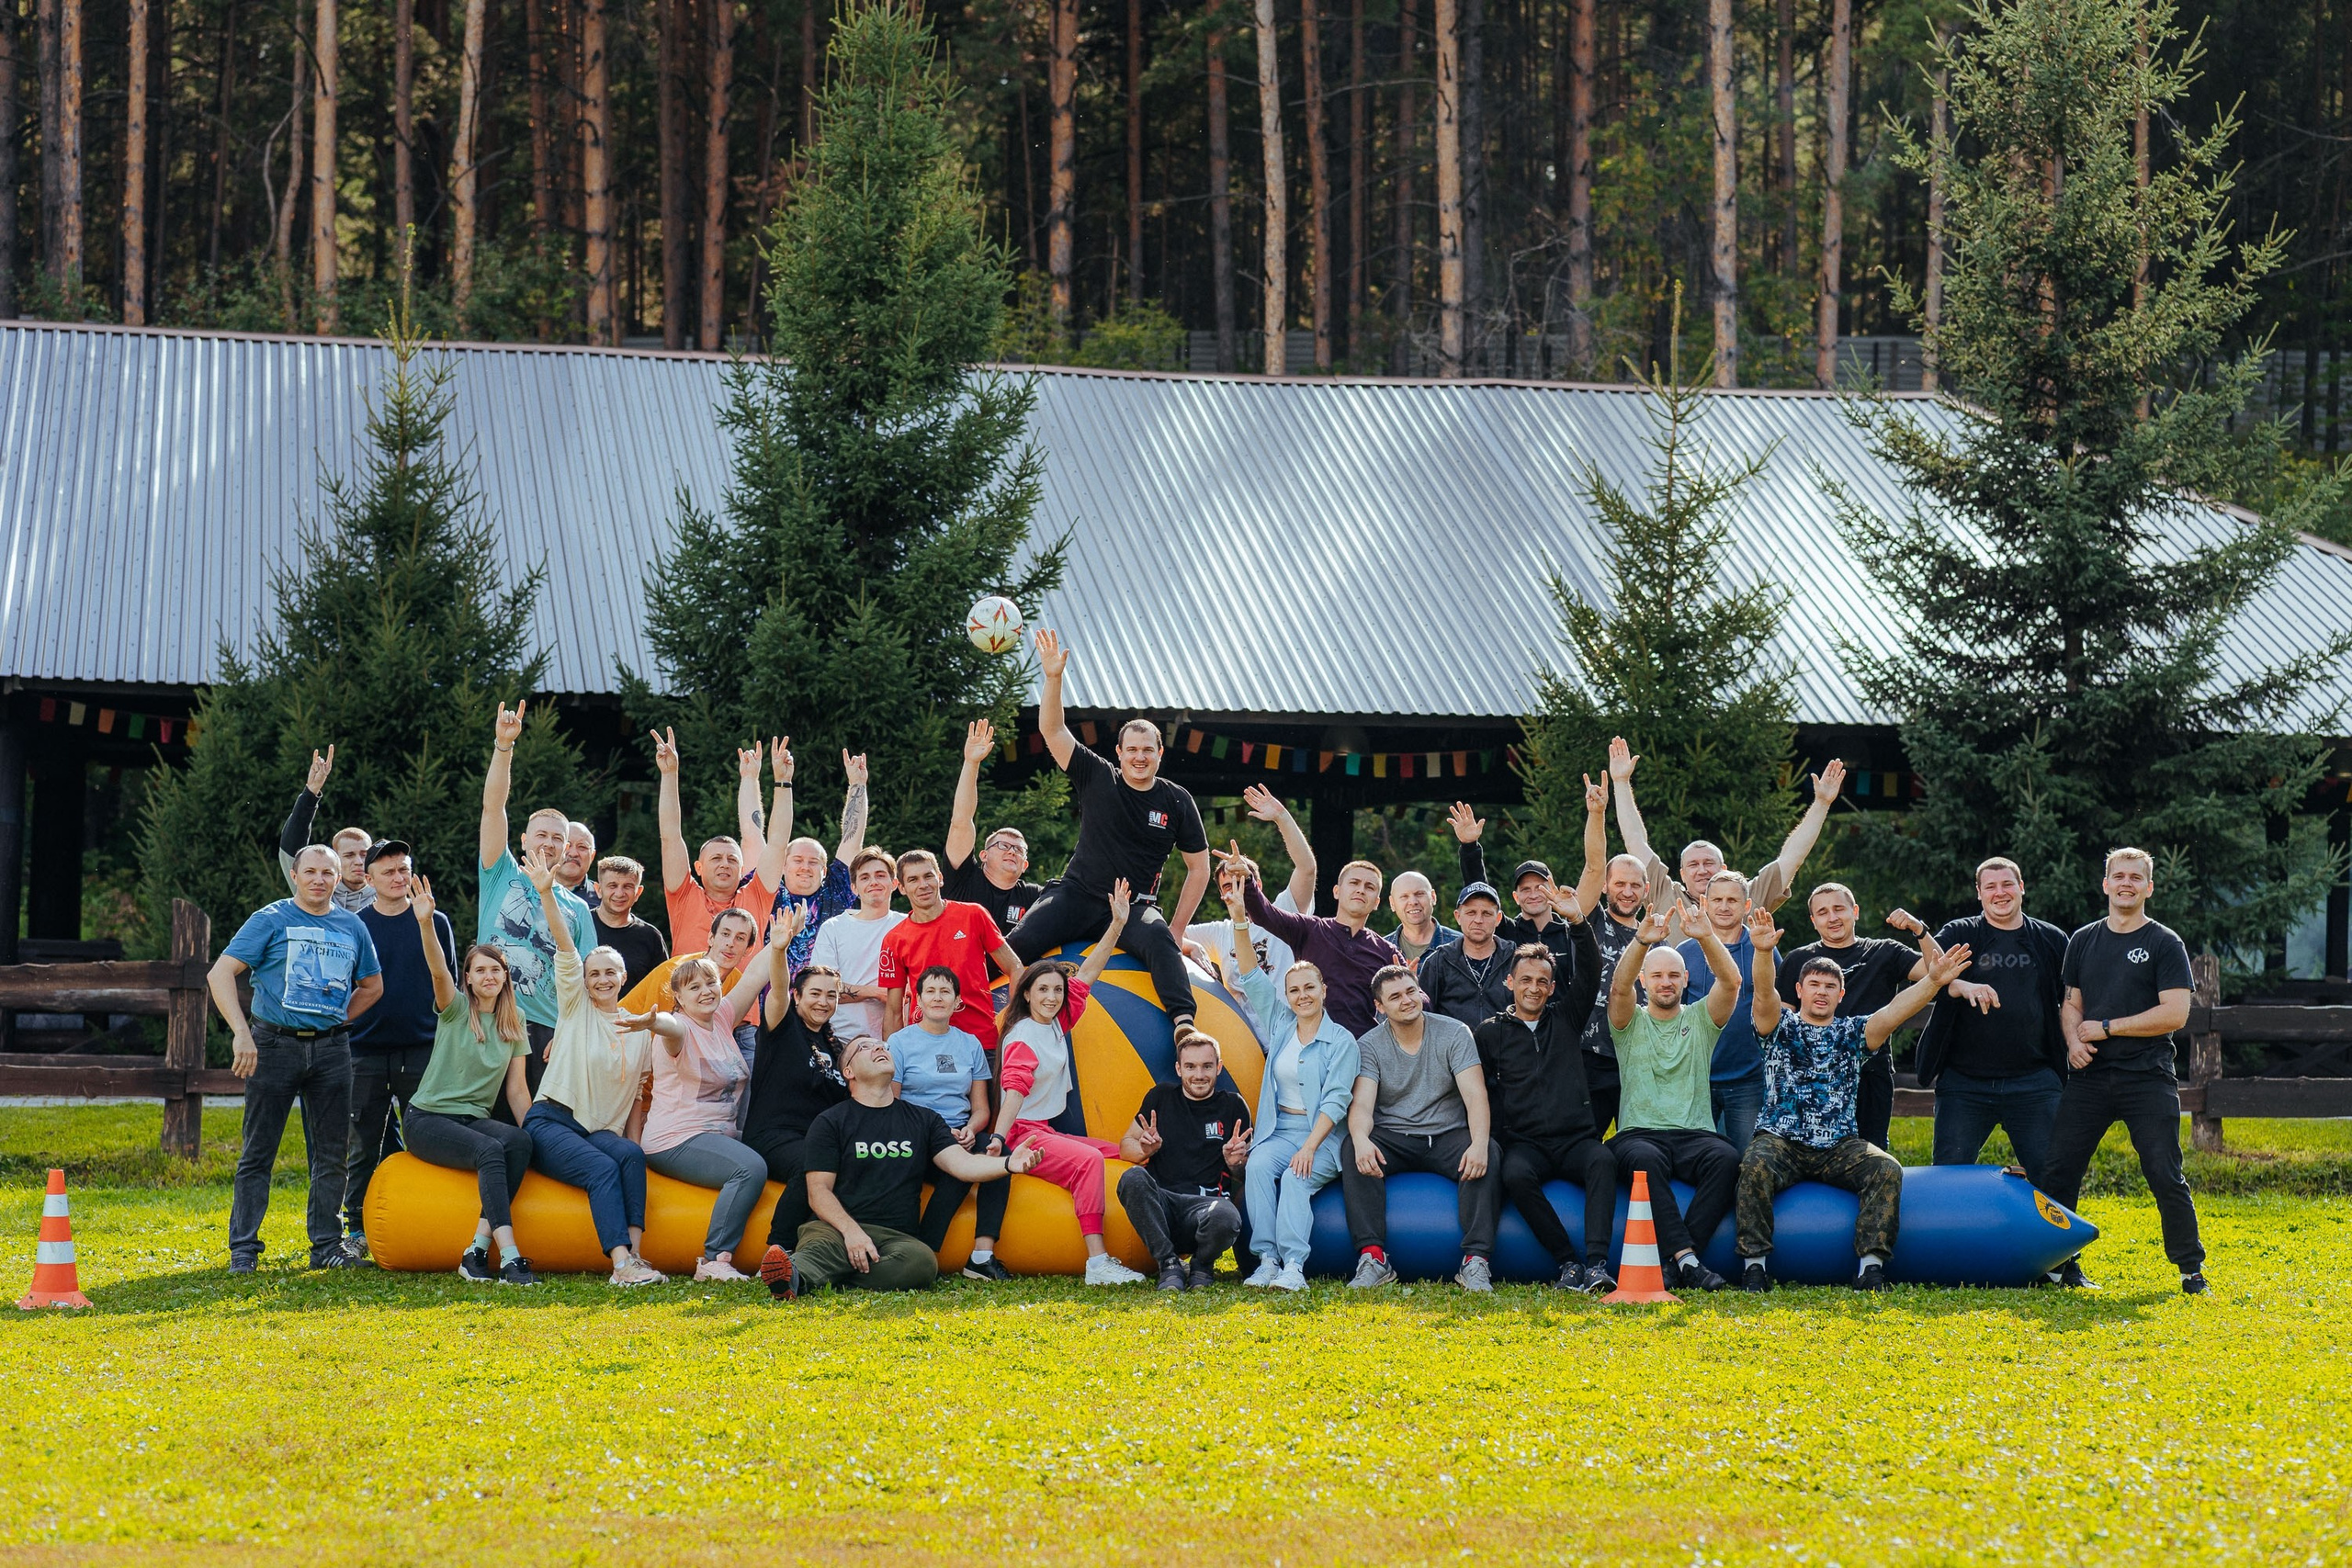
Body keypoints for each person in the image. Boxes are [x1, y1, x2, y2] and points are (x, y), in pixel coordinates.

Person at [1738, 908, 1968, 1292]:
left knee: (1886, 1168)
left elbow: (1895, 1011)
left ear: (1841, 994)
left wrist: (1932, 981)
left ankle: (1871, 1266)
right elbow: (1763, 994)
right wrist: (1763, 953)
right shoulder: (1780, 1027)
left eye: (1830, 987)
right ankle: (1754, 1265)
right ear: (1800, 989)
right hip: (1781, 1140)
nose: (1821, 992)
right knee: (1754, 1164)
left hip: (1838, 1146)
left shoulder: (1853, 1033)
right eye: (1814, 984)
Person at [1009, 630, 1211, 1034]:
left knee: (1162, 945)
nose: (1139, 757)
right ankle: (962, 1003)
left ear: (1159, 754)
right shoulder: (1098, 776)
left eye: (1147, 750)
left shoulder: (1176, 800)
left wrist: (1176, 928)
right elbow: (1052, 731)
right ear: (1118, 753)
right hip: (1078, 894)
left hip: (1134, 906)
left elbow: (1199, 868)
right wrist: (1053, 679)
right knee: (1018, 941)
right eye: (1131, 750)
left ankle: (1183, 1027)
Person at [208, 844, 384, 1272]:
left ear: (339, 879)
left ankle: (326, 1246)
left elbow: (373, 986)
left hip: (332, 1050)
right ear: (295, 875)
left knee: (330, 1155)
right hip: (273, 1046)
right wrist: (241, 1035)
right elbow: (220, 974)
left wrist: (339, 1017)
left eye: (328, 872)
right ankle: (244, 1250)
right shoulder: (270, 919)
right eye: (311, 872)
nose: (319, 880)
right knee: (258, 1152)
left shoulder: (352, 927)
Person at [761, 1034, 1046, 1299]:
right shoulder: (830, 1121)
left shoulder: (925, 1120)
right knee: (818, 1251)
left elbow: (963, 1165)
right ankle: (795, 1275)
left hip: (897, 1238)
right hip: (834, 1230)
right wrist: (852, 1232)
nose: (879, 1048)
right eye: (865, 1047)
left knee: (922, 1264)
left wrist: (1009, 1163)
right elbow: (818, 1191)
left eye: (882, 1046)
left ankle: (828, 1278)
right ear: (849, 1072)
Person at [2041, 849, 2207, 1294]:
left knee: (2163, 1170)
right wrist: (2075, 1041)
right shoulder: (2083, 940)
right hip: (2090, 1078)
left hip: (2146, 1077)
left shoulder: (2164, 943)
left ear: (2149, 887)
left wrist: (2110, 1028)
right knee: (2059, 1170)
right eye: (2119, 876)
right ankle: (2058, 1266)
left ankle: (2191, 1270)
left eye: (2136, 877)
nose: (2126, 883)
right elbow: (2071, 1003)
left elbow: (2175, 1013)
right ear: (2106, 884)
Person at [987, 884, 1151, 1285]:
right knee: (1090, 1161)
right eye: (1042, 989)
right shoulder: (1025, 1035)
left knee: (1124, 1151)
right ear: (1025, 993)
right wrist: (998, 1139)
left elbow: (1089, 973)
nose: (1052, 996)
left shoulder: (1057, 1022)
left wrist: (1116, 925)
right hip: (1021, 1134)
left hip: (1044, 1129)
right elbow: (1014, 1091)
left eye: (1057, 990)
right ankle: (1097, 1262)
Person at [521, 862, 665, 1287]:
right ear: (583, 981)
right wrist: (547, 893)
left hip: (598, 1130)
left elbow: (639, 1097)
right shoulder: (575, 1008)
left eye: (610, 973)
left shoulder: (639, 1029)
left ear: (624, 978)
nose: (601, 979)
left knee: (629, 1155)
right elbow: (566, 949)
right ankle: (621, 1266)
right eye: (594, 973)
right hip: (552, 1121)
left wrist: (633, 1142)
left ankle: (637, 1256)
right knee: (602, 1169)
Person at [402, 863, 540, 1287]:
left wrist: (541, 1133)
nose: (489, 976)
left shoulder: (515, 1026)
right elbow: (437, 968)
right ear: (469, 977)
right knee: (490, 1152)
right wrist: (425, 922)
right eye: (480, 970)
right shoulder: (456, 1010)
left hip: (471, 1119)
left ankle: (476, 1251)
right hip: (428, 1119)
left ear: (505, 977)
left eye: (496, 970)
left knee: (518, 1140)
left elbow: (517, 1092)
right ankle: (512, 1256)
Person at [1475, 903, 1617, 1293]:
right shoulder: (1489, 1033)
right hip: (1527, 1143)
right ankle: (1567, 1263)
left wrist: (1577, 923)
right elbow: (1481, 1089)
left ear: (1552, 988)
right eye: (1526, 980)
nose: (1534, 987)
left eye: (1542, 981)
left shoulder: (1567, 1018)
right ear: (1510, 983)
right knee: (1515, 1175)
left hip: (1575, 1139)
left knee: (1603, 1161)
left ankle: (1596, 1264)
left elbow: (1590, 972)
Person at [1912, 857, 2072, 1204]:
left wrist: (2077, 1043)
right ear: (1979, 893)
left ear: (2021, 887)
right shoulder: (1960, 934)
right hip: (1965, 1084)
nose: (2000, 893)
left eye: (2007, 884)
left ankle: (2062, 1257)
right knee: (1948, 1176)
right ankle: (1949, 1253)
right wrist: (1962, 982)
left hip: (2034, 1082)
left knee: (2054, 1176)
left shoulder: (2051, 939)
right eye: (1991, 887)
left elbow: (2071, 1001)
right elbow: (1932, 977)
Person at [622, 925, 776, 1282]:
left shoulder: (721, 1018)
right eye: (694, 987)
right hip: (675, 1140)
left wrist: (780, 939)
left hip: (717, 1136)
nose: (705, 992)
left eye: (711, 983)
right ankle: (713, 1260)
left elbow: (754, 975)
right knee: (749, 1168)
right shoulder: (679, 1027)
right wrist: (653, 1021)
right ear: (678, 996)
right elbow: (670, 1029)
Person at [1607, 900, 1742, 1292]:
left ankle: (1677, 1262)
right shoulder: (1629, 1023)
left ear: (1685, 979)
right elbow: (1618, 987)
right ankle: (1688, 1261)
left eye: (1672, 976)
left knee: (1728, 1157)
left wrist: (1705, 935)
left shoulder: (1701, 1019)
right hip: (1640, 1134)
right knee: (1644, 1161)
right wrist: (1641, 942)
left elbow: (1731, 983)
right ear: (1644, 983)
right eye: (1656, 976)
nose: (1665, 982)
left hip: (1694, 1134)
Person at [1339, 966, 1500, 1292]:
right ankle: (1373, 1258)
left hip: (1447, 1135)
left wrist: (1480, 1143)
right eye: (1395, 997)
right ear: (1380, 1007)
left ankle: (1475, 1261)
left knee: (1491, 1152)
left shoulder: (1454, 1033)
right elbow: (1363, 1106)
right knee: (1352, 1147)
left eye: (1411, 991)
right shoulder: (1369, 1044)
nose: (1407, 1000)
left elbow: (1475, 1095)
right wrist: (1359, 1139)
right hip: (1395, 1136)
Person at [337, 839, 456, 1267]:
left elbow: (449, 986)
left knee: (427, 1140)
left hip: (422, 1048)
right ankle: (355, 1230)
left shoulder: (435, 921)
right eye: (387, 871)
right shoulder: (352, 925)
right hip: (364, 1049)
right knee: (363, 1144)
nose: (397, 877)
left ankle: (424, 1221)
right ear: (368, 880)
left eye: (403, 869)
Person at [477, 702, 594, 1099]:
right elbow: (493, 807)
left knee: (538, 1127)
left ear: (565, 851)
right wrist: (503, 746)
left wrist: (571, 1034)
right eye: (540, 835)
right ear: (524, 840)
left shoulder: (578, 908)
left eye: (557, 839)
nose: (548, 843)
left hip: (545, 1029)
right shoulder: (499, 872)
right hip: (490, 1017)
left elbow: (586, 978)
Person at [1608, 739, 1845, 931]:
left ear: (1724, 869)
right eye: (1693, 865)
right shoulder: (1663, 893)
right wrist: (1620, 781)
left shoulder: (1748, 897)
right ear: (1682, 873)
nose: (1701, 870)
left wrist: (1822, 803)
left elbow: (1792, 858)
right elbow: (1635, 841)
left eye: (1709, 863)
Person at [741, 912, 858, 1278]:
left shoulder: (835, 1045)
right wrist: (780, 950)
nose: (823, 1002)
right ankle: (777, 1252)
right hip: (774, 1137)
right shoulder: (783, 1025)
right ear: (798, 995)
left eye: (831, 995)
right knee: (812, 1162)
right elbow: (776, 988)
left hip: (818, 1142)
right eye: (816, 994)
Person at [1233, 948, 1357, 1292]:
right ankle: (1267, 1261)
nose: (1302, 996)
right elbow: (1252, 977)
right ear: (1287, 996)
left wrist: (1309, 1147)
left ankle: (1293, 1266)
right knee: (1256, 1165)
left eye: (1309, 988)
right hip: (1280, 1129)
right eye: (1294, 990)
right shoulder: (1282, 1024)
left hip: (1324, 1135)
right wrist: (1240, 916)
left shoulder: (1342, 1041)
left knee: (1294, 1176)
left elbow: (1336, 1101)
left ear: (1323, 990)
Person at [1773, 885, 1929, 1151]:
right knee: (1807, 1153)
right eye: (1822, 912)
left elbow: (1934, 969)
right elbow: (1783, 1025)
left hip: (1870, 1074)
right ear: (1813, 921)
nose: (1832, 917)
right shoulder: (1798, 960)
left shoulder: (1885, 952)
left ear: (1854, 912)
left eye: (1838, 909)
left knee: (1871, 1153)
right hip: (1812, 1079)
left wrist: (1920, 931)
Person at [886, 965, 1013, 1272]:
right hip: (917, 1134)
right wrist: (937, 1135)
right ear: (918, 999)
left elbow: (981, 1108)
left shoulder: (969, 1044)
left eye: (945, 992)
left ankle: (983, 1253)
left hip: (961, 1132)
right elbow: (891, 1102)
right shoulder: (900, 1043)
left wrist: (971, 1129)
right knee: (962, 1169)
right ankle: (925, 1251)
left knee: (999, 1154)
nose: (937, 998)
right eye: (930, 991)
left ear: (957, 1001)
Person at [1117, 1032, 1252, 1290]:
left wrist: (1236, 1163)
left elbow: (1245, 1176)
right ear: (1179, 1069)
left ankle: (1202, 1266)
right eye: (1190, 1066)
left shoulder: (1233, 1105)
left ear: (1219, 1067)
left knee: (1228, 1215)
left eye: (1206, 1066)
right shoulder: (1160, 1097)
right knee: (1131, 1178)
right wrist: (1146, 1148)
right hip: (1162, 1207)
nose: (1198, 1074)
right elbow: (1126, 1148)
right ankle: (1169, 1265)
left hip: (1206, 1210)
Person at [1238, 854, 1402, 1037]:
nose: (1361, 890)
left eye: (1369, 887)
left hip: (1362, 1051)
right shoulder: (1310, 929)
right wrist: (1246, 880)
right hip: (1310, 1047)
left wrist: (1408, 984)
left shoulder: (1387, 952)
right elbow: (1265, 913)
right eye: (1354, 883)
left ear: (1377, 903)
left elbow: (1419, 1001)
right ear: (1336, 891)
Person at [1448, 773, 1606, 960]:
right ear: (1516, 897)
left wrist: (1597, 814)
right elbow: (1479, 891)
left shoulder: (1571, 932)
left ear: (1552, 891)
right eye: (1525, 889)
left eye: (1540, 888)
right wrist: (1469, 847)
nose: (1533, 894)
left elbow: (1594, 868)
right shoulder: (1504, 932)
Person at [877, 850, 1023, 1049]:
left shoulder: (973, 915)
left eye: (928, 876)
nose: (923, 885)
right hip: (924, 1047)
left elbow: (1015, 967)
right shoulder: (894, 939)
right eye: (913, 880)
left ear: (940, 878)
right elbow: (894, 1011)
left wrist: (1016, 1022)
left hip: (981, 1042)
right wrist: (892, 1060)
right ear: (901, 888)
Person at [653, 729, 776, 964]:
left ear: (743, 870)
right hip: (689, 1000)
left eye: (732, 860)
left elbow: (754, 836)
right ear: (698, 867)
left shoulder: (756, 898)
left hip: (743, 1002)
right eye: (716, 858)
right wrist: (669, 773)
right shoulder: (683, 896)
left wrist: (750, 778)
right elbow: (670, 836)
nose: (724, 864)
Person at [752, 736, 872, 976]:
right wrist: (778, 781)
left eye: (813, 862)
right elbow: (757, 836)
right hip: (770, 1004)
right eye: (797, 860)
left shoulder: (836, 890)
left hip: (826, 1003)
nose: (805, 867)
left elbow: (852, 840)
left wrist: (858, 784)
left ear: (824, 871)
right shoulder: (766, 893)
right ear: (783, 866)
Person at [1675, 869, 1771, 1154]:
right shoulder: (1685, 950)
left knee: (1746, 1156)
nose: (1724, 906)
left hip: (1748, 1078)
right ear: (1705, 903)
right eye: (1717, 899)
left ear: (1746, 906)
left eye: (1732, 900)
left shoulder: (1762, 947)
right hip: (1697, 1078)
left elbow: (1774, 1004)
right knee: (1701, 1157)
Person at [1184, 785, 1317, 988]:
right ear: (1221, 895)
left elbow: (1307, 869)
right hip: (1237, 1021)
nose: (1236, 889)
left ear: (1258, 885)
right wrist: (1188, 945)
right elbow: (1166, 936)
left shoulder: (1284, 911)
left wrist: (1282, 817)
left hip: (1286, 1019)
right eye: (1228, 885)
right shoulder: (1220, 932)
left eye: (1242, 880)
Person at [943, 718, 1046, 931]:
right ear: (983, 855)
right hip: (959, 966)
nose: (1012, 851)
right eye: (1003, 845)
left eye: (1019, 850)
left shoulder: (1033, 895)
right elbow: (961, 822)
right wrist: (971, 763)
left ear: (1025, 866)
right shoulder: (964, 878)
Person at [808, 847, 904, 1043]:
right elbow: (822, 986)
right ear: (854, 888)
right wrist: (877, 993)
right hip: (844, 1039)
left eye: (880, 875)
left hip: (900, 1039)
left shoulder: (908, 925)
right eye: (865, 877)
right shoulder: (834, 928)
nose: (873, 882)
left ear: (894, 883)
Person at [276, 746, 374, 912]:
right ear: (335, 861)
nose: (358, 861)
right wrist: (311, 792)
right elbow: (290, 849)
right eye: (349, 855)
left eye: (364, 855)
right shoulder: (315, 890)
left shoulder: (384, 896)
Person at [1415, 883, 1518, 1029]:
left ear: (1499, 918)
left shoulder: (1516, 959)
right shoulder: (1438, 962)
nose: (1478, 920)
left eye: (1486, 913)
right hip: (1453, 1050)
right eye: (1471, 913)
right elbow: (1424, 1016)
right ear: (1458, 916)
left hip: (1506, 1048)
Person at [587, 855, 670, 993]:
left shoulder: (650, 937)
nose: (619, 893)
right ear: (598, 889)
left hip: (635, 1014)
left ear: (638, 892)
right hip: (584, 1013)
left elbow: (662, 988)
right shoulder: (580, 926)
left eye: (628, 887)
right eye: (612, 886)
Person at [1385, 872, 1459, 970]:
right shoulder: (1380, 950)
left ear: (1433, 897)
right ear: (1392, 903)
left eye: (1419, 894)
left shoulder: (1460, 946)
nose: (1413, 902)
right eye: (1404, 897)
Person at [557, 820, 600, 906]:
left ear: (592, 856)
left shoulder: (603, 900)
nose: (573, 854)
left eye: (582, 847)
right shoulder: (530, 892)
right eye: (567, 845)